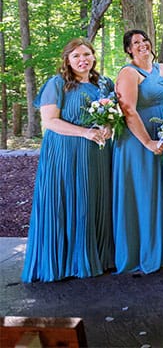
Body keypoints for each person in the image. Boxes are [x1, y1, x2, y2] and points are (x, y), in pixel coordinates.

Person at [21, 38, 114, 282]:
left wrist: (107, 127)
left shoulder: (104, 84)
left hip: (97, 153)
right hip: (65, 151)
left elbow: (114, 116)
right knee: (68, 200)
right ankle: (64, 263)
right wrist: (85, 132)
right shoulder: (58, 83)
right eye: (76, 56)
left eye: (86, 54)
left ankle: (96, 258)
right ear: (67, 60)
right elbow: (50, 121)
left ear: (93, 56)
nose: (82, 60)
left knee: (92, 201)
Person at [112, 30, 163, 274]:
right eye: (135, 43)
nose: (142, 45)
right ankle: (143, 251)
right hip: (138, 140)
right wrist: (149, 142)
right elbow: (128, 110)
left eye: (144, 40)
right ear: (128, 49)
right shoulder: (129, 73)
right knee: (143, 192)